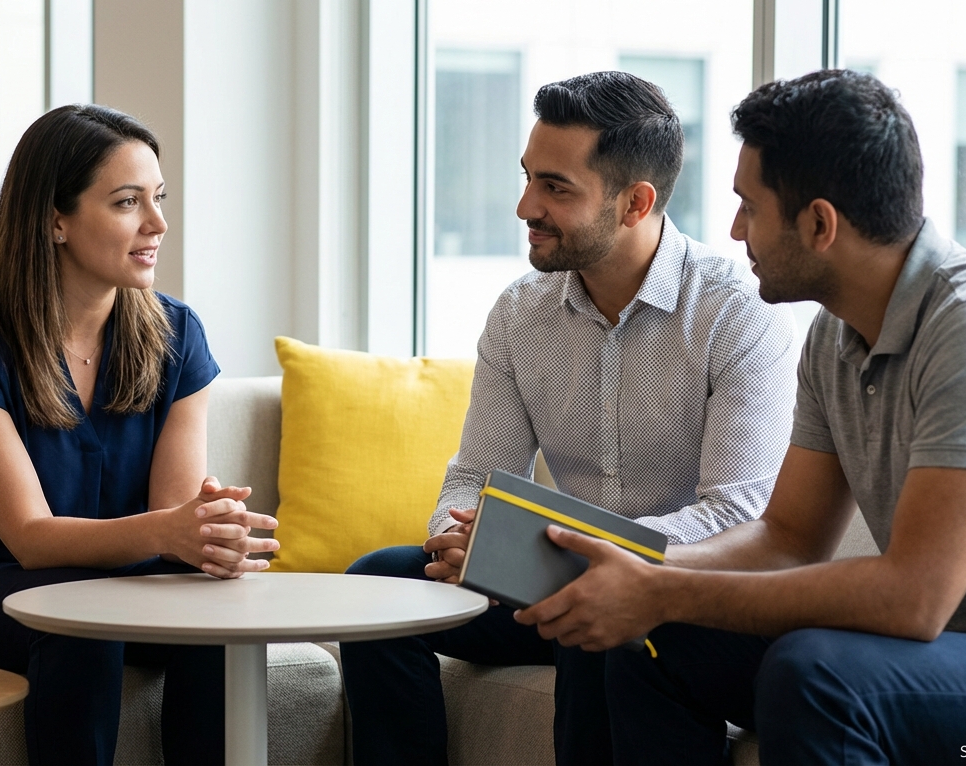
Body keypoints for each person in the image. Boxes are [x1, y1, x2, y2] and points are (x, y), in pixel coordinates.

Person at [514, 69, 966, 764]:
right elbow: (787, 538)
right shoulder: (837, 335)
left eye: (749, 207)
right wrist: (627, 575)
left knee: (814, 673)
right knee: (648, 637)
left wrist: (663, 586)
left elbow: (914, 596)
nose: (732, 229)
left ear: (819, 224)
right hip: (938, 651)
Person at [340, 71, 797, 765]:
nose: (525, 206)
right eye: (528, 178)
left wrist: (567, 554)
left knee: (600, 615)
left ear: (635, 202)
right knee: (380, 583)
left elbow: (736, 512)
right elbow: (474, 474)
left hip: (679, 597)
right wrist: (469, 541)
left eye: (556, 188)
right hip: (547, 573)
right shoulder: (521, 314)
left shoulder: (734, 314)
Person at [0, 105, 280, 766]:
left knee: (216, 623)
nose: (157, 224)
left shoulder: (177, 335)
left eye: (159, 199)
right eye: (128, 202)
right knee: (79, 618)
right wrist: (167, 532)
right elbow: (32, 540)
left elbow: (171, 519)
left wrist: (209, 533)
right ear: (54, 219)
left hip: (114, 581)